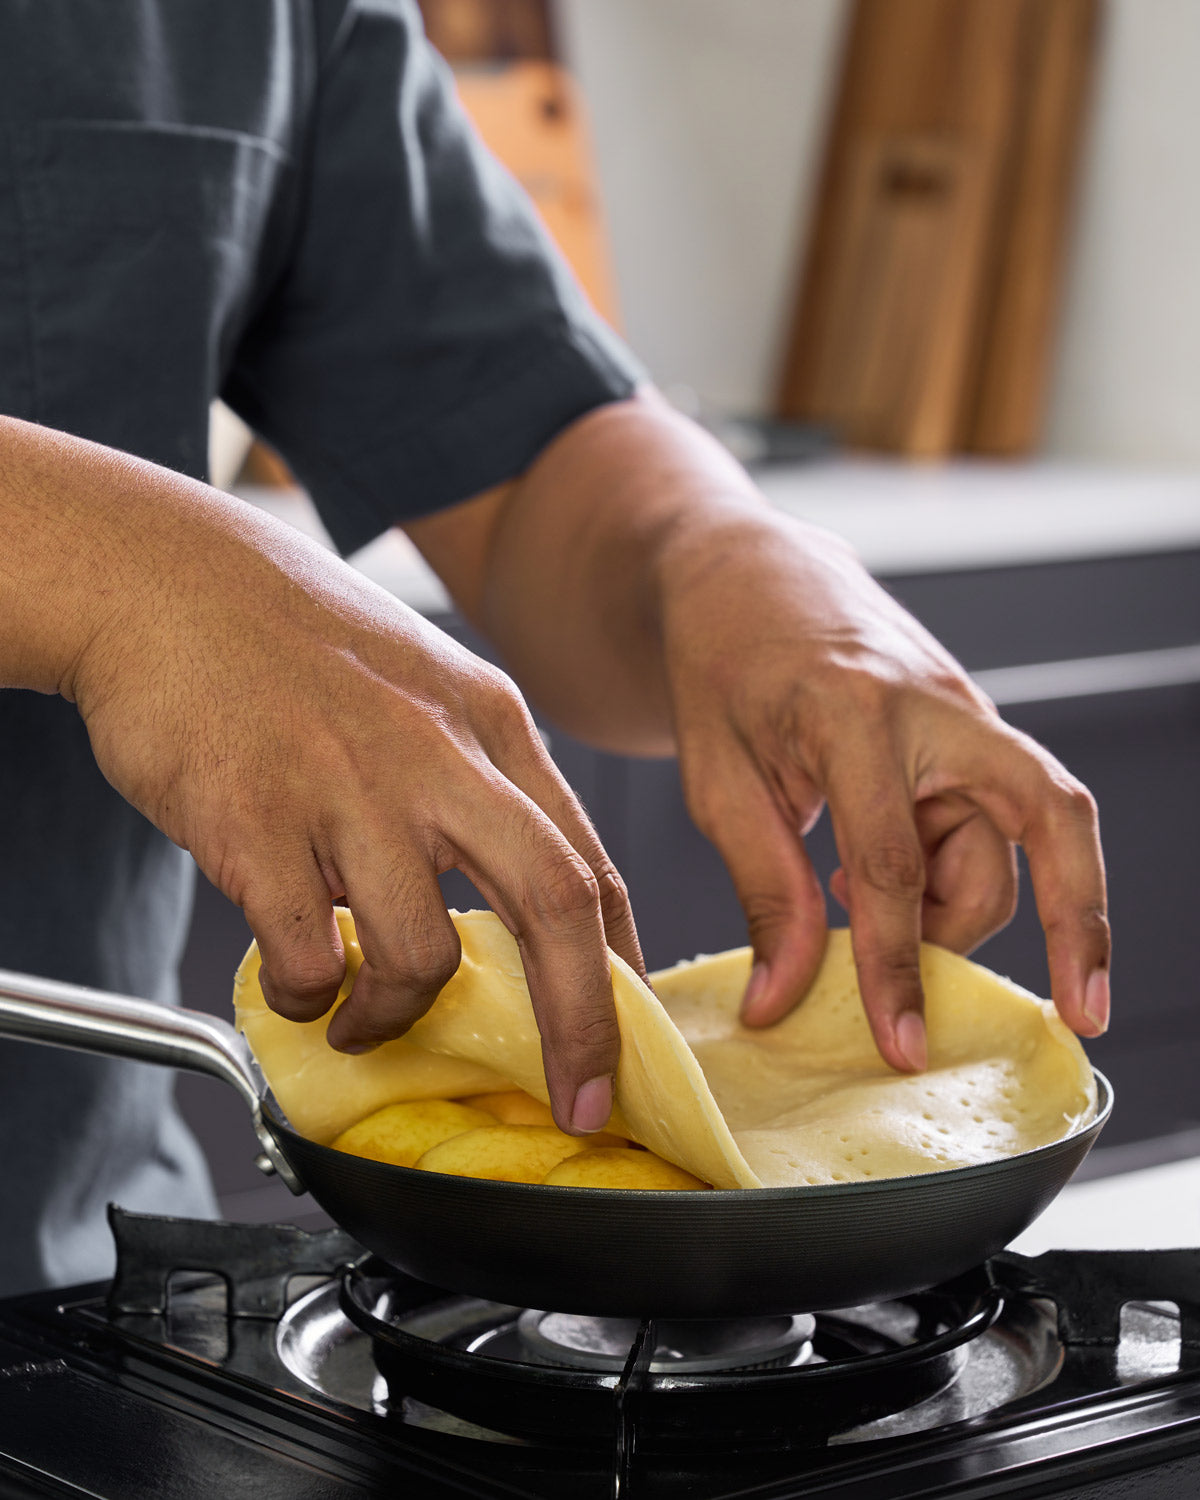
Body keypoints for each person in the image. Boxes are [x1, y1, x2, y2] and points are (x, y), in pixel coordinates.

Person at [0, 0, 1109, 1293]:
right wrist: (115, 574)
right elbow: (126, 567)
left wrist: (716, 554)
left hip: (80, 1288)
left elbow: (518, 456)